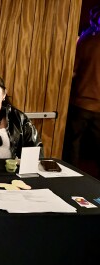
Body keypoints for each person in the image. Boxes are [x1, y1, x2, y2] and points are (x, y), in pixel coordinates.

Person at [63, 5, 100, 171]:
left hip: (80, 103)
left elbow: (72, 70)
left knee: (73, 146)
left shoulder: (86, 41)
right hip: (99, 106)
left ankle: (70, 178)